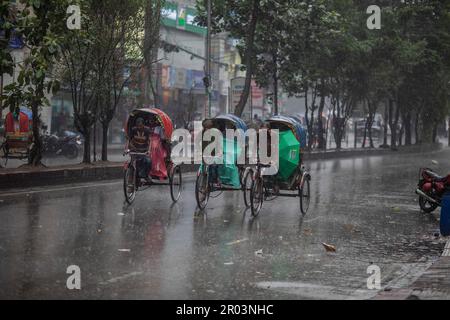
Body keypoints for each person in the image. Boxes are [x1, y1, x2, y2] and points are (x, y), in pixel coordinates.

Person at [128, 117, 152, 182]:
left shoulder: (147, 130)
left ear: (143, 125)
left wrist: (149, 150)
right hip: (134, 150)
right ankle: (130, 182)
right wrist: (128, 148)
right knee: (132, 165)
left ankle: (146, 175)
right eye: (137, 126)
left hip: (144, 151)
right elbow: (129, 140)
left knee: (148, 162)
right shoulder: (133, 130)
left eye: (140, 126)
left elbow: (150, 141)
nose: (139, 127)